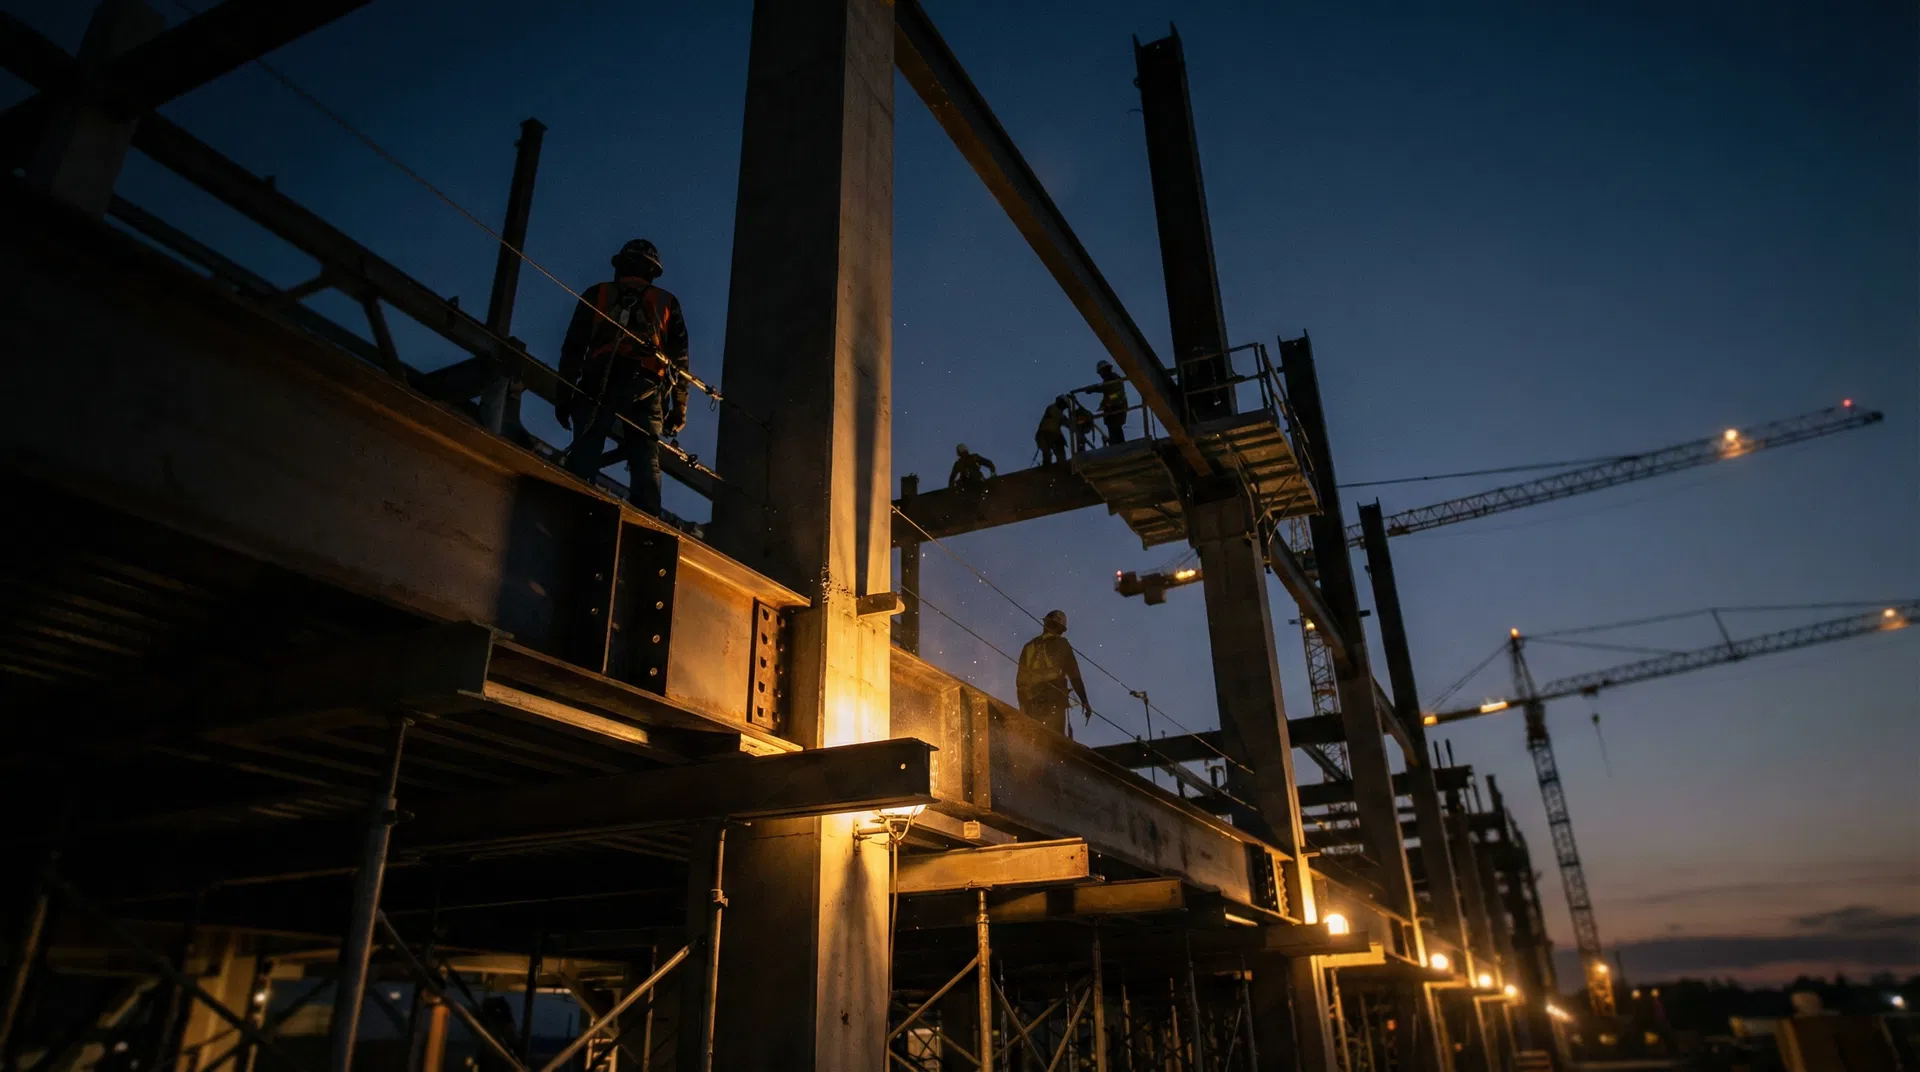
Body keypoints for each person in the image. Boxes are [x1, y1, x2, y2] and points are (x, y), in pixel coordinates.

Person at [555, 238, 689, 515]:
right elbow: (680, 361)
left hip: (597, 381)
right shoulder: (666, 302)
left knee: (587, 448)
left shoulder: (597, 293)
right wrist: (679, 408)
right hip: (646, 386)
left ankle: (573, 506)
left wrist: (564, 393)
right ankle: (648, 522)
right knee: (645, 457)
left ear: (621, 266)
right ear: (652, 272)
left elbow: (573, 348)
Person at [1016, 609, 1089, 735]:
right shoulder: (1062, 644)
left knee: (1034, 737)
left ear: (1045, 624)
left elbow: (1020, 681)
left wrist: (1023, 707)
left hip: (1032, 701)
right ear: (1060, 629)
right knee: (1054, 739)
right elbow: (1074, 676)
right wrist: (1084, 700)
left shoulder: (1029, 646)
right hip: (1054, 698)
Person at [1077, 360, 1130, 445]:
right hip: (1114, 407)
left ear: (1104, 370)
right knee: (1114, 428)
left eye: (1100, 372)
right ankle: (1116, 444)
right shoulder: (1112, 379)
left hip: (1116, 407)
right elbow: (1108, 391)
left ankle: (1118, 445)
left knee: (1115, 428)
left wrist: (1093, 389)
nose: (1101, 375)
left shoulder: (1113, 378)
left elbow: (1108, 390)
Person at [1035, 396, 1071, 465]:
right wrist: (1071, 424)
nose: (1063, 408)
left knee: (1059, 448)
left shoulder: (1056, 412)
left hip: (1052, 435)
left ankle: (1060, 464)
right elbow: (1063, 419)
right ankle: (1049, 466)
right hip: (1045, 435)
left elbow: (1064, 421)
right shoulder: (1053, 408)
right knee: (1047, 453)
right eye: (1063, 405)